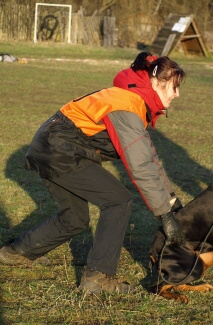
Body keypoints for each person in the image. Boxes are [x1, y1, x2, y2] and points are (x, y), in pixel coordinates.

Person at [0, 52, 187, 294]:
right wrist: (164, 215)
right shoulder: (128, 106)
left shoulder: (130, 100)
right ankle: (97, 278)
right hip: (61, 150)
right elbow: (140, 167)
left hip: (49, 147)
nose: (177, 94)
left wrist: (172, 202)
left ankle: (14, 253)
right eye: (174, 87)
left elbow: (150, 159)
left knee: (75, 218)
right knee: (118, 201)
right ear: (156, 82)